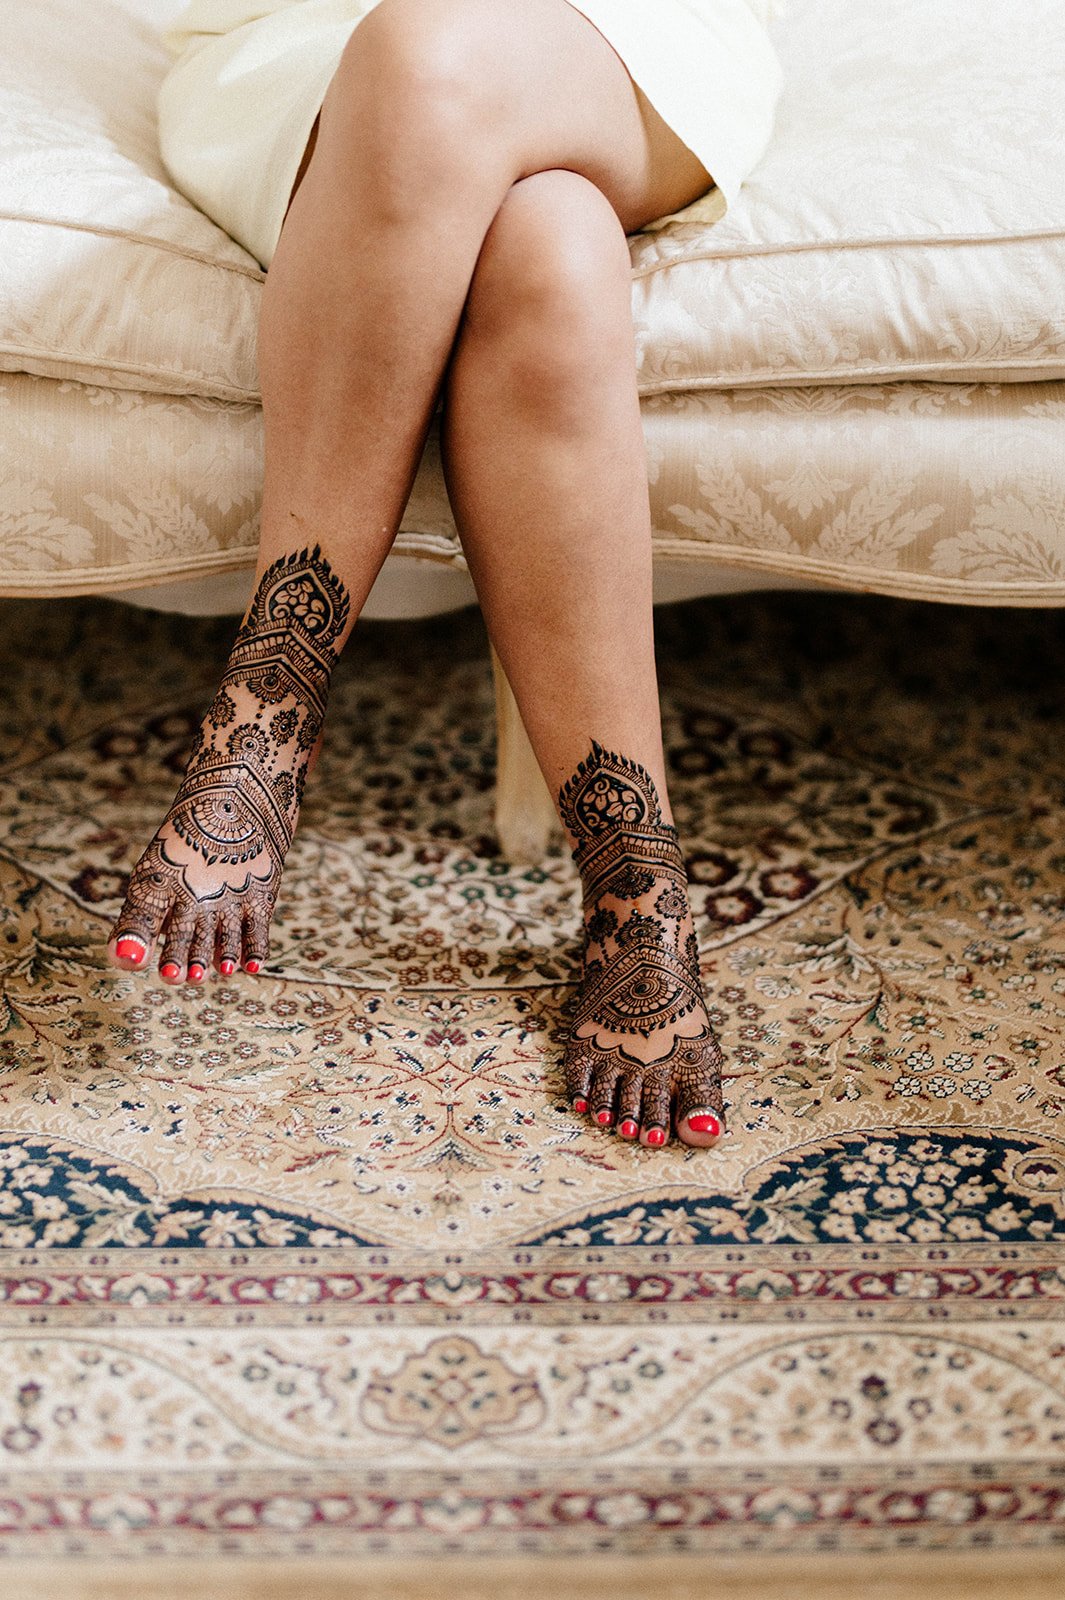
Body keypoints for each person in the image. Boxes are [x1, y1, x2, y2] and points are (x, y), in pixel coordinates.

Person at [107, 0, 785, 1151]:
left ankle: (262, 723)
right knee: (549, 242)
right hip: (308, 53)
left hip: (625, 38)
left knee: (428, 54)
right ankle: (639, 891)